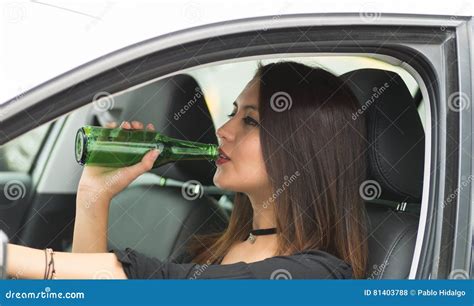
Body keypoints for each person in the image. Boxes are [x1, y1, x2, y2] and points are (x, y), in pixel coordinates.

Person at [6, 61, 368, 280]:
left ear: (303, 151)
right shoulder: (213, 246)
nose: (224, 130)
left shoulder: (317, 276)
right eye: (232, 112)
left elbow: (156, 283)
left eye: (252, 121)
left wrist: (8, 257)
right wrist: (95, 195)